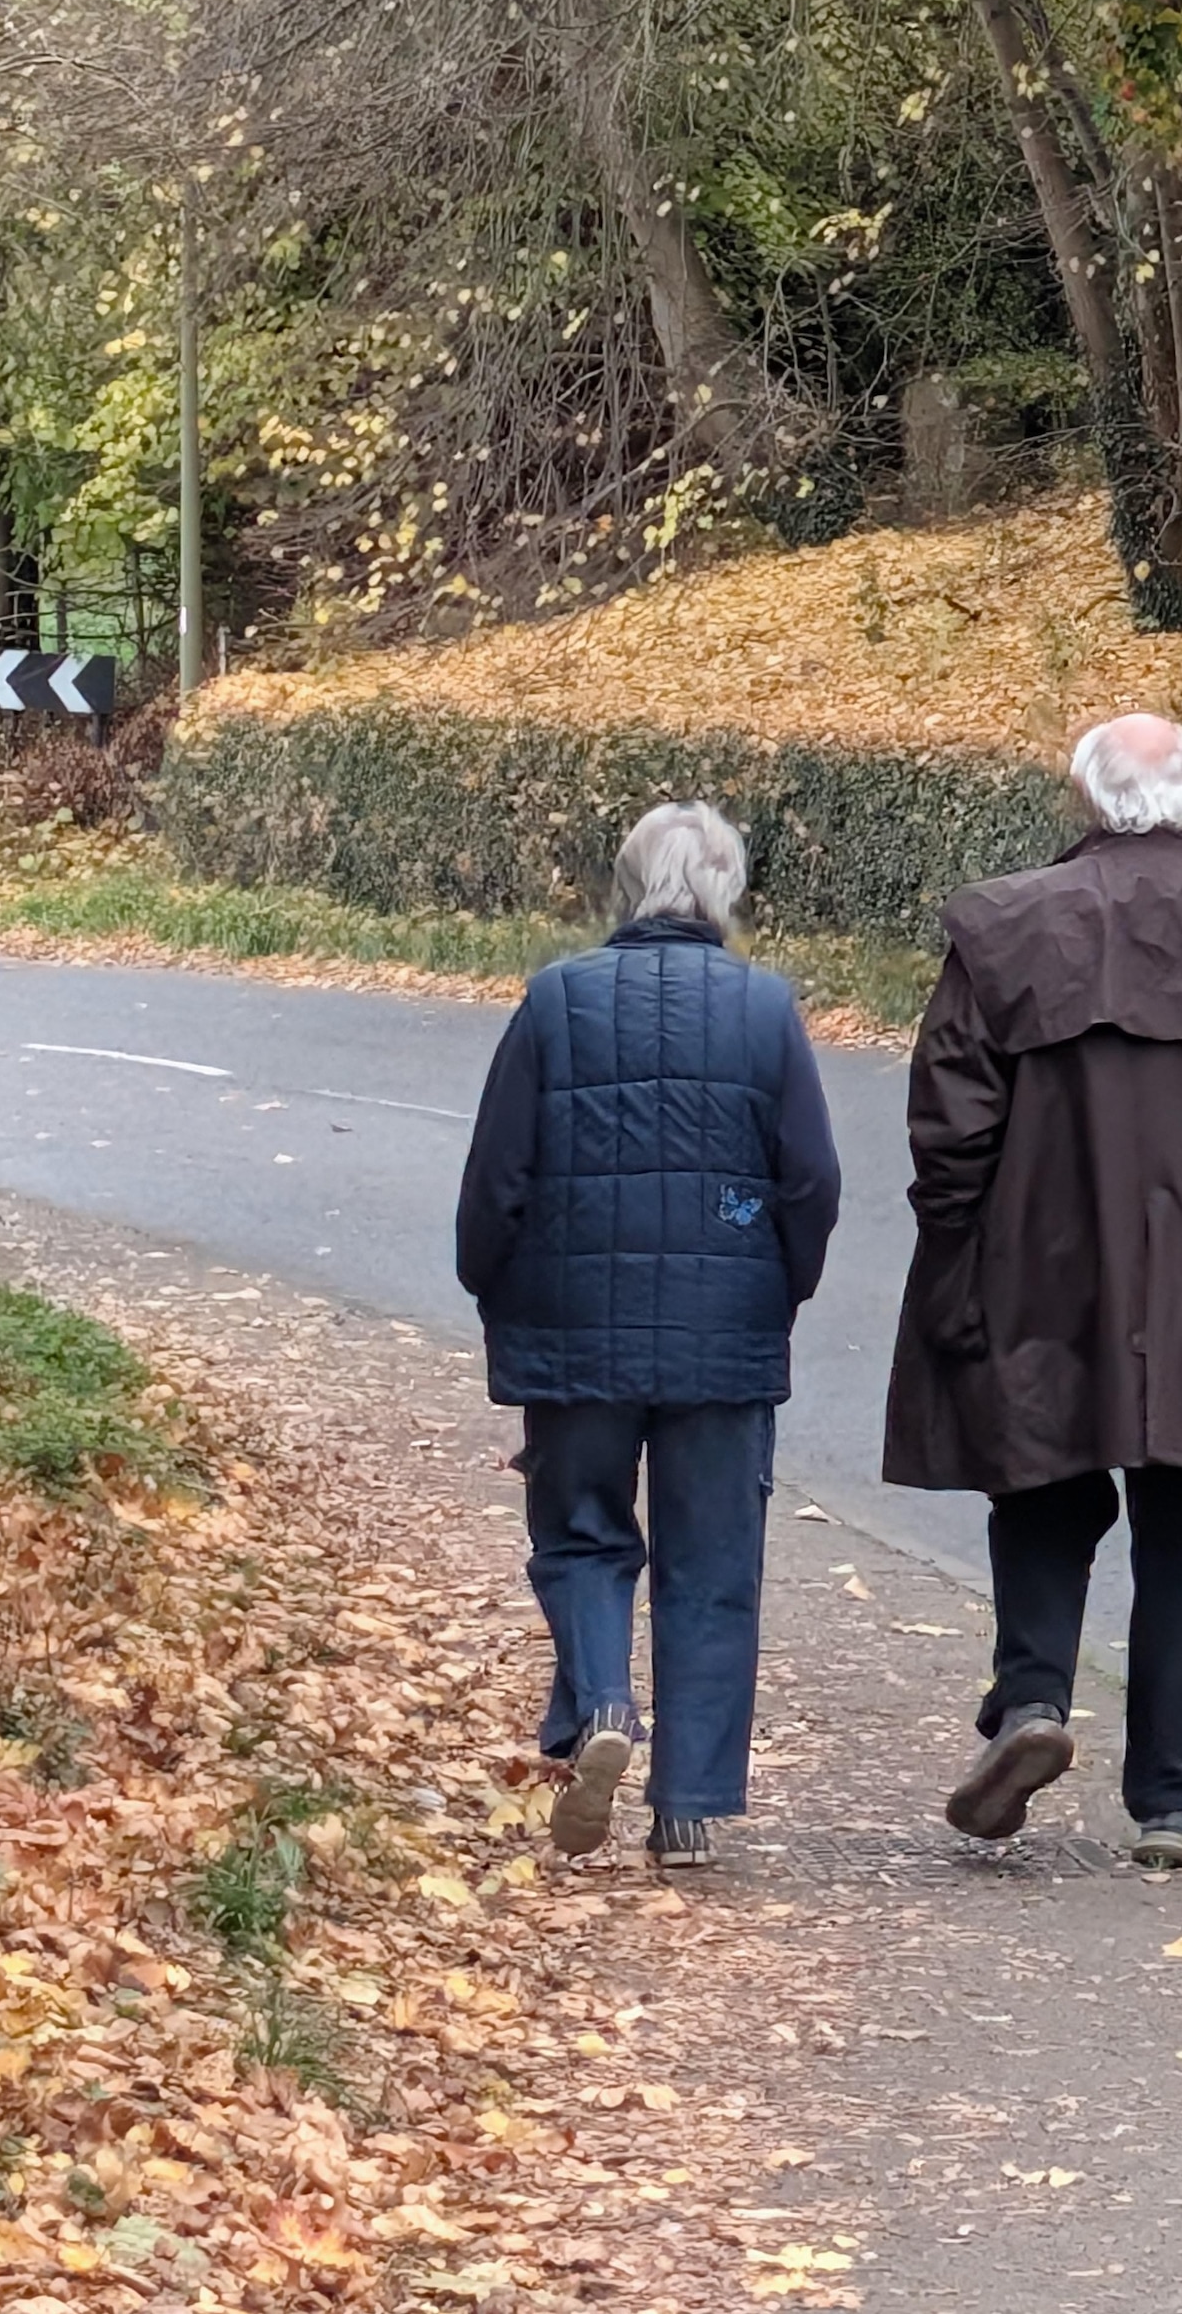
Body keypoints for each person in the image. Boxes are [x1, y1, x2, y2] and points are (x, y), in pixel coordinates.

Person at [886, 711, 1182, 1868]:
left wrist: (955, 1256)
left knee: (1042, 1482)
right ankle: (1173, 1802)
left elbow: (949, 1124)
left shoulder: (1005, 928)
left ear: (1082, 799)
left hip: (1042, 1254)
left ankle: (1033, 1702)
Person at [454, 798, 842, 1870]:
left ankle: (603, 1710)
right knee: (712, 1561)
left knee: (579, 1534)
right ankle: (690, 1806)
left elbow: (497, 1178)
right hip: (725, 1335)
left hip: (573, 1328)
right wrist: (778, 1289)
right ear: (724, 894)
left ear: (624, 885)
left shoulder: (554, 1000)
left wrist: (492, 1288)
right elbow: (809, 1179)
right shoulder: (765, 1010)